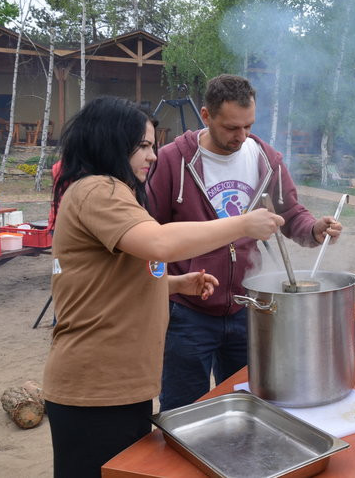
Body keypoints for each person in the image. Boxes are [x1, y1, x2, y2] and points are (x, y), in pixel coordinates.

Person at [42, 96, 283, 478]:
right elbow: (159, 243)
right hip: (96, 387)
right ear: (110, 142)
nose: (152, 156)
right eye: (142, 146)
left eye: (153, 145)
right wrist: (242, 224)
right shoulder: (97, 191)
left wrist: (175, 284)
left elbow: (109, 279)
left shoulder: (114, 192)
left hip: (121, 386)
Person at [147, 74, 343, 411]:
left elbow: (290, 212)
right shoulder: (172, 160)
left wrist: (313, 229)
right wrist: (165, 287)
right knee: (183, 409)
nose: (243, 136)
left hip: (247, 306)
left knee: (249, 403)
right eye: (232, 128)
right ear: (206, 116)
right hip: (187, 311)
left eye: (248, 126)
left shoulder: (264, 159)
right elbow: (149, 231)